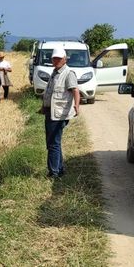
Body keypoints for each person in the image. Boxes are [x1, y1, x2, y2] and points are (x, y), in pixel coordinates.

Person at [42, 47, 80, 178]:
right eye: (54, 58)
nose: (56, 61)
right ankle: (59, 168)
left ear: (65, 59)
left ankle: (54, 173)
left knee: (53, 143)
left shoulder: (68, 73)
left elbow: (75, 90)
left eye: (58, 58)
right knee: (54, 142)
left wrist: (76, 105)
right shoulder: (55, 71)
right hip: (51, 112)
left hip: (58, 114)